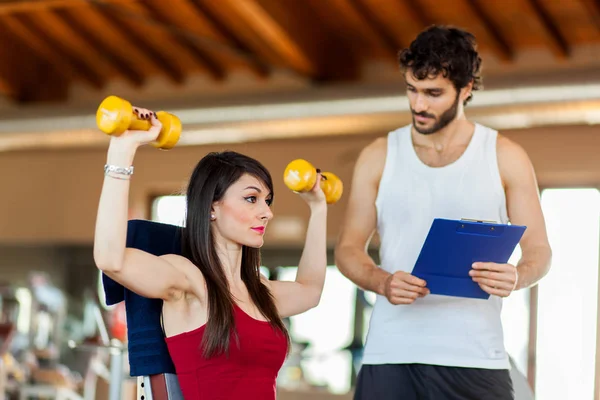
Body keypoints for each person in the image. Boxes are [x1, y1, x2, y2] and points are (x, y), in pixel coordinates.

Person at [335, 25, 552, 400]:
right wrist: (382, 282)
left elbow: (540, 252)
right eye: (412, 89)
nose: (419, 105)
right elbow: (348, 250)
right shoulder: (377, 156)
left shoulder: (505, 156)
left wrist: (517, 276)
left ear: (466, 90)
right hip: (392, 353)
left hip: (476, 358)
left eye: (433, 93)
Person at [93, 109, 328, 400]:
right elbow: (110, 259)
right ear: (211, 208)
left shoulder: (260, 291)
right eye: (251, 199)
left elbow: (311, 289)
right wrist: (122, 151)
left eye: (266, 201)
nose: (266, 212)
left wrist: (318, 208)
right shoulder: (190, 282)